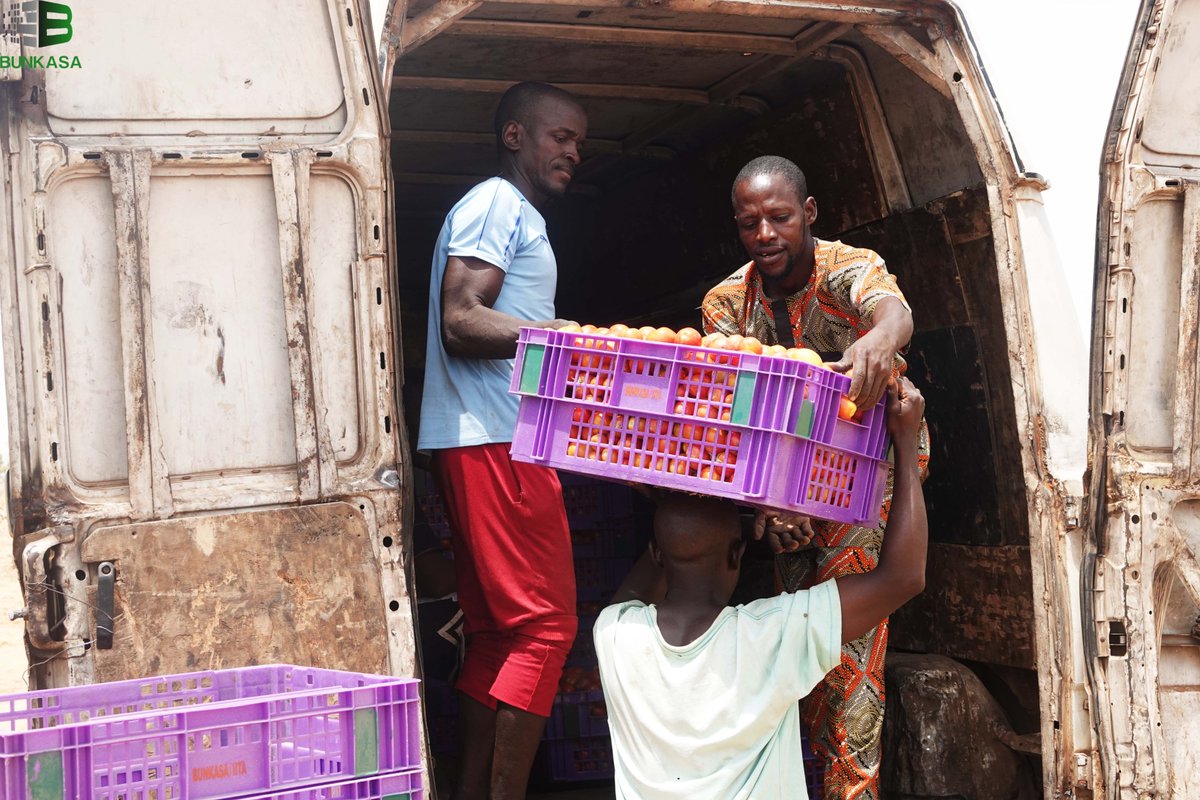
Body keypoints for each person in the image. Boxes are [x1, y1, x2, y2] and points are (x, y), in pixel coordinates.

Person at [700, 154, 931, 799]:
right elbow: (733, 415)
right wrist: (772, 500)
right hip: (781, 487)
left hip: (865, 479)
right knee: (799, 640)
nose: (766, 234)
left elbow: (893, 312)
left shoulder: (846, 269)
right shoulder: (726, 303)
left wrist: (880, 341)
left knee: (853, 652)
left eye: (779, 217)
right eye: (750, 224)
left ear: (809, 214)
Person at [594, 378, 929, 799]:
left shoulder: (614, 632)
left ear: (657, 554)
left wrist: (708, 515)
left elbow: (659, 558)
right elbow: (903, 577)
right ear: (737, 555)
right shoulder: (769, 636)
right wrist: (905, 438)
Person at [417, 81, 587, 800]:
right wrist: (566, 341)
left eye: (580, 143)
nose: (573, 153)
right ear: (515, 135)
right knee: (547, 630)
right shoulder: (496, 203)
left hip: (486, 441)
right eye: (560, 137)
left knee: (495, 635)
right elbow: (462, 320)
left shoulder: (514, 213)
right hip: (495, 441)